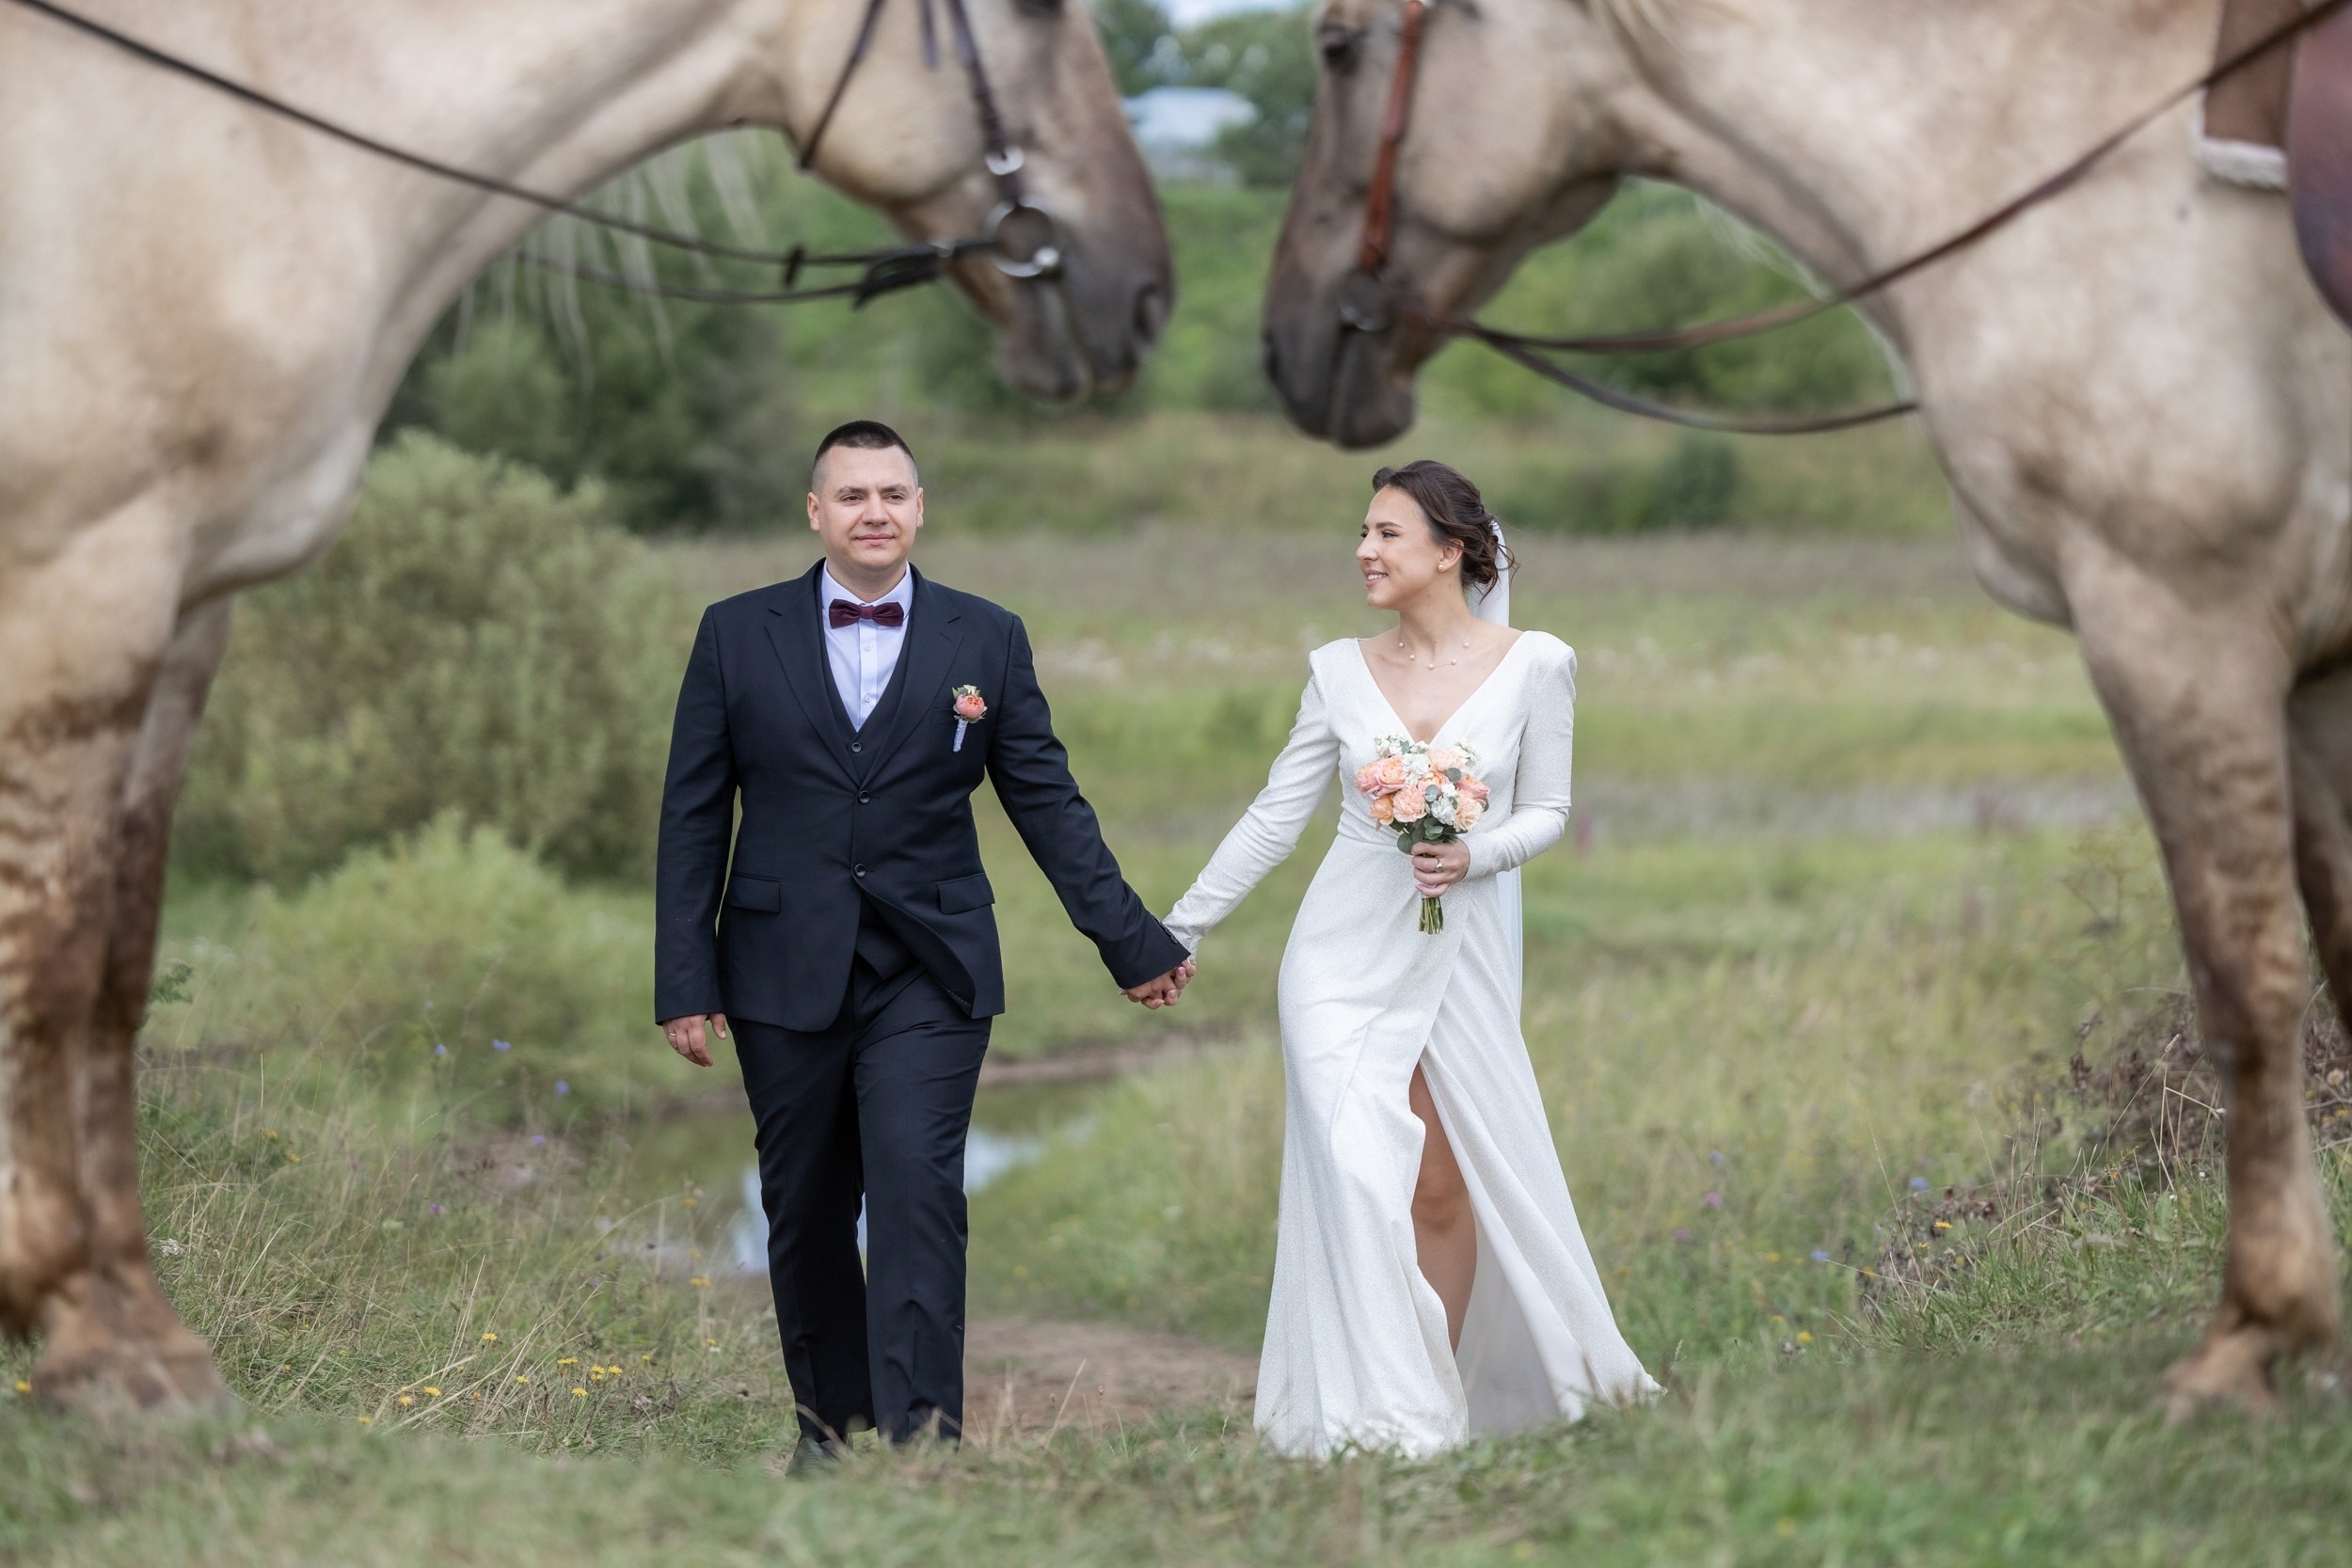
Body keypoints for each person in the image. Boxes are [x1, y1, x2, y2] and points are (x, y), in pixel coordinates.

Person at [654, 420, 1193, 1460]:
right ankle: (827, 1425)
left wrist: (1131, 940)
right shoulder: (734, 631)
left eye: (893, 493)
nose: (874, 512)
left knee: (916, 1187)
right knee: (803, 1204)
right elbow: (690, 816)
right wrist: (687, 976)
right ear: (815, 512)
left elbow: (1049, 804)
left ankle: (923, 1437)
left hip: (931, 969)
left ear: (919, 507)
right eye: (852, 495)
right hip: (778, 965)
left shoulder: (984, 637)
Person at [1162, 459, 1656, 1457]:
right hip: (1337, 954)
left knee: (1442, 1183)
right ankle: (1387, 1420)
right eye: (1362, 531)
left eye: (1387, 533)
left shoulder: (1538, 662)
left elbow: (1550, 809)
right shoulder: (1335, 669)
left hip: (1461, 948)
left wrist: (1476, 852)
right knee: (1354, 1166)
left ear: (1452, 550)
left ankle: (1454, 1394)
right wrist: (1179, 925)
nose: (1363, 551)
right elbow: (1275, 814)